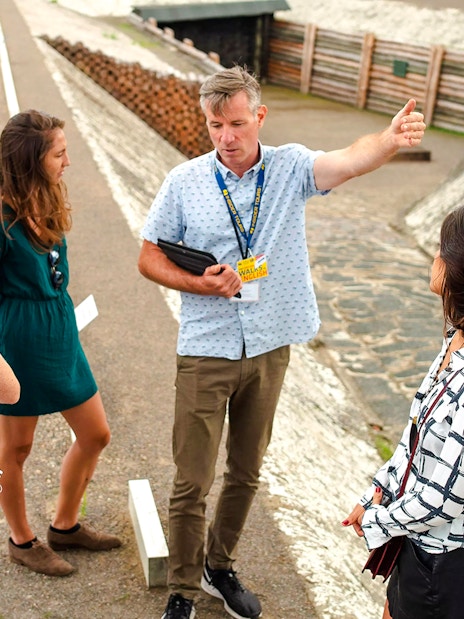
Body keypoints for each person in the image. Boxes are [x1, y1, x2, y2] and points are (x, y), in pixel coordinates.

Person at [138, 65, 426, 619]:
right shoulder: (184, 182)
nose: (226, 137)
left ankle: (219, 567)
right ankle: (182, 588)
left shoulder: (291, 166)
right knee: (191, 480)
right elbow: (148, 257)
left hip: (271, 344)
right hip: (206, 346)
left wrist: (388, 141)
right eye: (216, 124)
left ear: (260, 117)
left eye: (237, 123)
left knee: (246, 470)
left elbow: (347, 160)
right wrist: (200, 283)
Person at [0, 110, 121, 578]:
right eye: (59, 153)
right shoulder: (3, 217)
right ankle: (21, 539)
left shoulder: (46, 196)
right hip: (17, 337)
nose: (68, 161)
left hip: (58, 327)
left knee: (95, 433)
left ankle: (65, 526)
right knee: (16, 450)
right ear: (32, 159)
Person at [343, 204, 464, 619]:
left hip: (445, 564)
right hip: (419, 547)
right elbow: (414, 441)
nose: (434, 258)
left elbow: (445, 499)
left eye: (440, 251)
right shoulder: (454, 338)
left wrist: (379, 520)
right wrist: (376, 490)